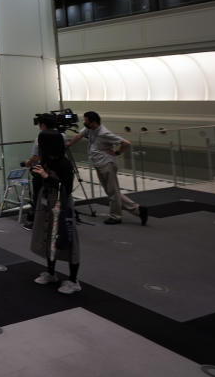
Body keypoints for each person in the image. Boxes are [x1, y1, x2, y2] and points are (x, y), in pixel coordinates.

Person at [66, 111, 148, 226]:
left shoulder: (104, 133)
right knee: (112, 191)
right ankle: (138, 210)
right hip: (100, 164)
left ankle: (116, 216)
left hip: (107, 164)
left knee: (112, 192)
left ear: (93, 122)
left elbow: (126, 143)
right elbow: (79, 135)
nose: (84, 122)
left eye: (86, 120)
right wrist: (69, 144)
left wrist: (118, 152)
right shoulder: (90, 129)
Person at [30, 129, 81, 294]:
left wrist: (45, 176)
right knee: (47, 236)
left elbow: (65, 187)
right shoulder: (47, 160)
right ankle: (51, 272)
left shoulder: (64, 164)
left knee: (67, 238)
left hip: (62, 205)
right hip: (46, 203)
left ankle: (73, 280)